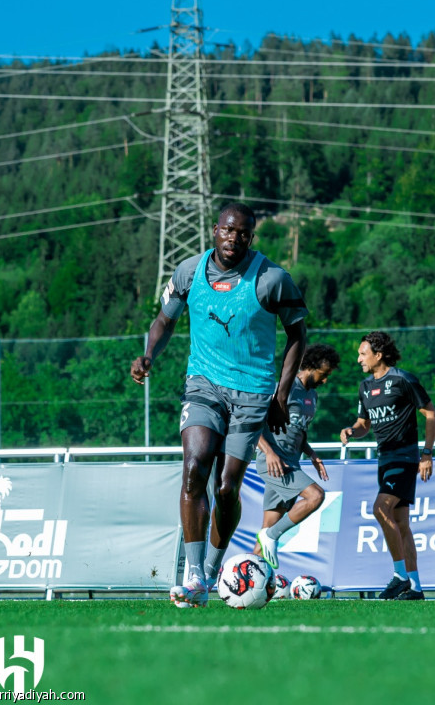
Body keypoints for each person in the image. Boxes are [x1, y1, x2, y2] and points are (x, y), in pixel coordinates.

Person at [130, 202, 307, 608]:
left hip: (252, 394)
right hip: (203, 386)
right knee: (195, 468)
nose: (234, 238)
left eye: (243, 233)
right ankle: (193, 576)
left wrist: (280, 395)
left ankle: (211, 571)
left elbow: (298, 335)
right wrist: (149, 355)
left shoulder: (272, 279)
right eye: (228, 230)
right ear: (215, 230)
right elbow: (164, 320)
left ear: (251, 237)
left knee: (226, 488)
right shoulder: (189, 272)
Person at [339, 331, 435, 600]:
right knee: (401, 524)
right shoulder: (364, 387)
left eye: (363, 354)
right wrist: (352, 430)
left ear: (378, 355)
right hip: (384, 459)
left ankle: (400, 576)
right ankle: (415, 587)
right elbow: (364, 425)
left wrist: (427, 454)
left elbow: (431, 414)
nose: (358, 359)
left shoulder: (403, 380)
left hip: (404, 459)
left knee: (380, 509)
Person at [254, 343, 341, 570]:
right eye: (323, 374)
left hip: (291, 462)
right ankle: (272, 536)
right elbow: (252, 424)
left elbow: (299, 431)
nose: (325, 380)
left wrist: (311, 454)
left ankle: (244, 578)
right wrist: (269, 453)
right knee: (315, 496)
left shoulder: (312, 395)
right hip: (274, 463)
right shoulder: (284, 388)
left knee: (263, 539)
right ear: (310, 367)